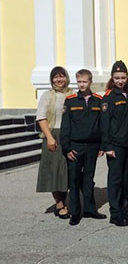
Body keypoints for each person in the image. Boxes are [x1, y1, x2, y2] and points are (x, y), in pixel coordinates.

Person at [61, 69, 106, 225]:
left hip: (92, 146)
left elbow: (102, 125)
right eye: (79, 82)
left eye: (84, 81)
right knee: (74, 180)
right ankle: (75, 212)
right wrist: (66, 148)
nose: (81, 84)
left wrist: (101, 145)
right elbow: (65, 126)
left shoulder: (98, 100)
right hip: (75, 146)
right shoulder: (71, 100)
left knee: (88, 179)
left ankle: (90, 209)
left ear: (90, 82)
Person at [101, 61, 128, 226]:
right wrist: (107, 146)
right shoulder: (109, 97)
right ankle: (115, 213)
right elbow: (105, 124)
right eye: (117, 78)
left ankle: (123, 207)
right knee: (115, 179)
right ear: (112, 78)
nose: (120, 81)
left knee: (126, 178)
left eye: (123, 77)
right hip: (116, 145)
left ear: (127, 77)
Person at [36, 66, 72, 219]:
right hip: (53, 134)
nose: (59, 80)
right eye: (56, 77)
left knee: (65, 170)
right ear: (52, 80)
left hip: (68, 135)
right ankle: (59, 204)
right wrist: (50, 137)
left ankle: (64, 200)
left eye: (62, 76)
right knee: (54, 171)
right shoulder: (47, 96)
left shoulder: (72, 95)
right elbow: (41, 117)